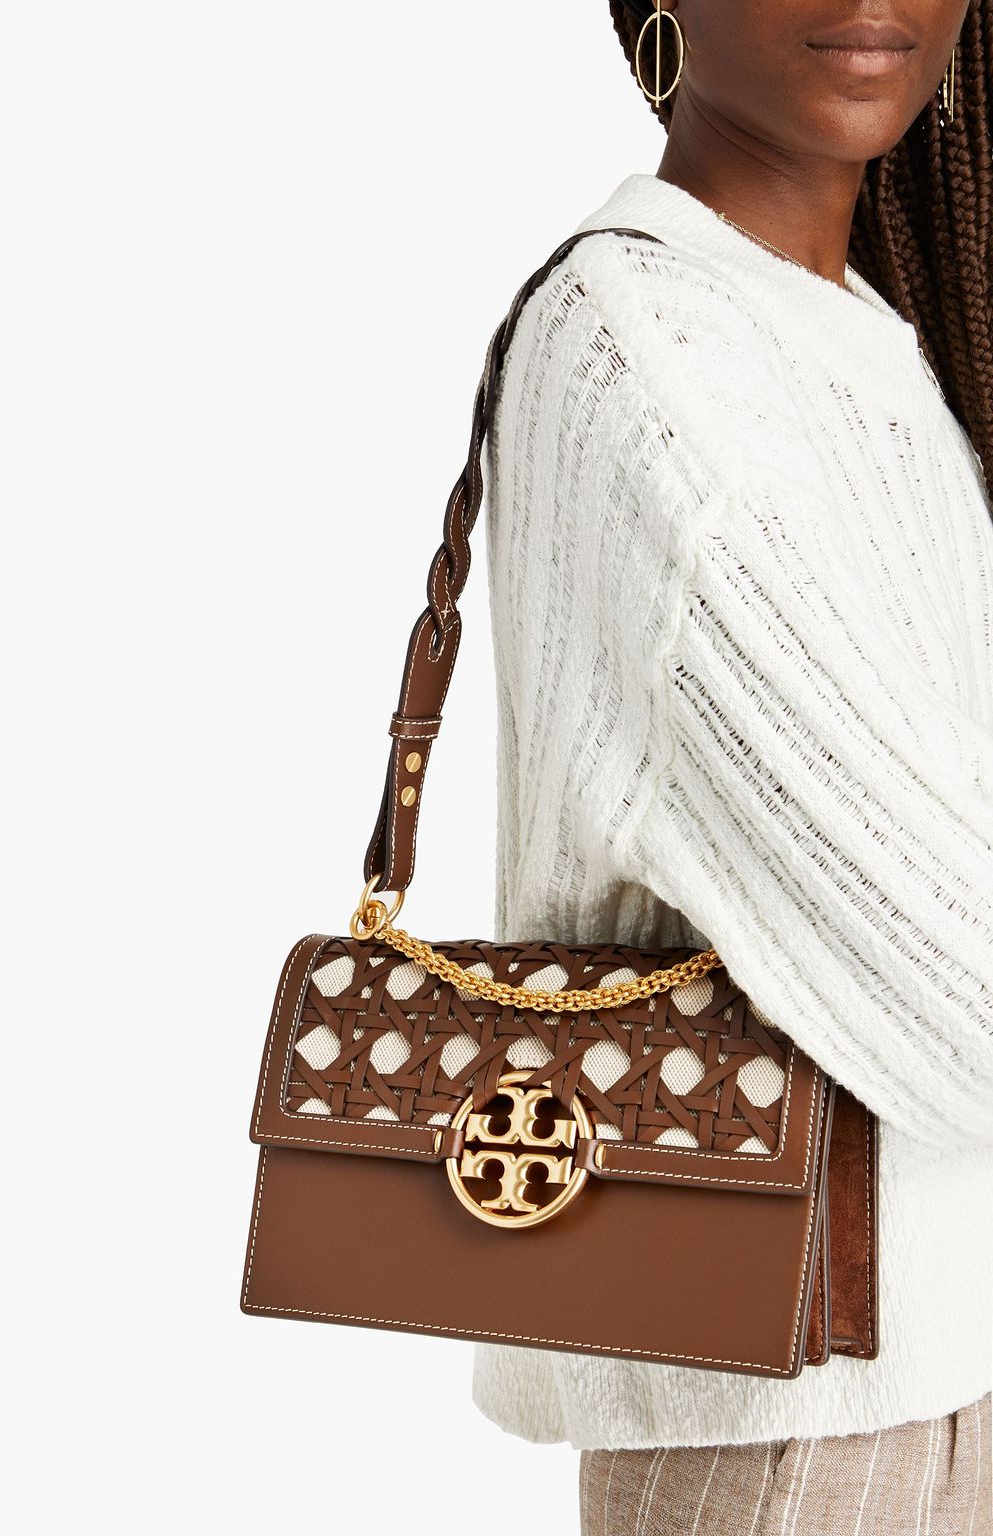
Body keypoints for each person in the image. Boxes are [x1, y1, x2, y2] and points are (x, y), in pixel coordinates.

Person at [473, 1, 993, 1531]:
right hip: (801, 1433)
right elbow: (944, 966)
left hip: (933, 1361)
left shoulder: (860, 328)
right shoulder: (660, 363)